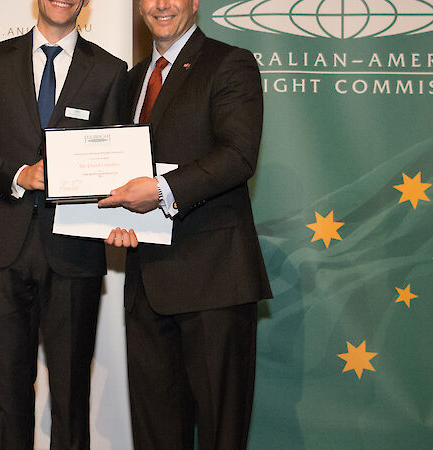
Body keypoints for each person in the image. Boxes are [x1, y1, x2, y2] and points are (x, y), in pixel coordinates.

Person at [0, 1, 127, 448]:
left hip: (74, 248)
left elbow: (118, 159)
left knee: (71, 394)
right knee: (10, 391)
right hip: (3, 244)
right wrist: (17, 174)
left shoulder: (109, 69)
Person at [98, 0, 272, 448]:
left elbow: (238, 156)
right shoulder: (132, 80)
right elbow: (120, 168)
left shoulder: (230, 63)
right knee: (155, 434)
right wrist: (116, 218)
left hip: (214, 281)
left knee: (220, 432)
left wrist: (158, 191)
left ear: (194, 3)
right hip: (146, 284)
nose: (161, 5)